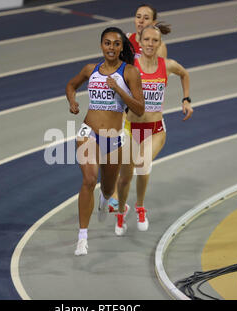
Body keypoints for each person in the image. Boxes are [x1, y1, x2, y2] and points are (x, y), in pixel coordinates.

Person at [65, 27, 145, 255]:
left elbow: (139, 110)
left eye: (116, 44)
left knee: (108, 188)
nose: (111, 47)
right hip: (87, 131)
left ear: (122, 48)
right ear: (101, 45)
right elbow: (71, 85)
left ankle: (105, 199)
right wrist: (72, 102)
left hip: (113, 137)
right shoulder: (91, 70)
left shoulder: (129, 72)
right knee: (89, 179)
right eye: (107, 43)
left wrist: (119, 89)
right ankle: (82, 237)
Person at [114, 24, 193, 236]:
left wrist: (186, 100)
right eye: (146, 40)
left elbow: (184, 74)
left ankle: (140, 207)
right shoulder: (130, 66)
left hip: (156, 129)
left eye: (154, 41)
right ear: (139, 42)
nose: (150, 44)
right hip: (130, 128)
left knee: (142, 163)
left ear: (160, 44)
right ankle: (121, 212)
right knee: (124, 179)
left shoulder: (167, 65)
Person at [108, 4, 171, 211]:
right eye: (138, 17)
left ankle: (122, 197)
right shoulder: (126, 40)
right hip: (125, 107)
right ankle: (113, 196)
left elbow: (156, 76)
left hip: (142, 108)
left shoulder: (157, 47)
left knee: (132, 160)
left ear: (153, 23)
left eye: (146, 18)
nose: (141, 21)